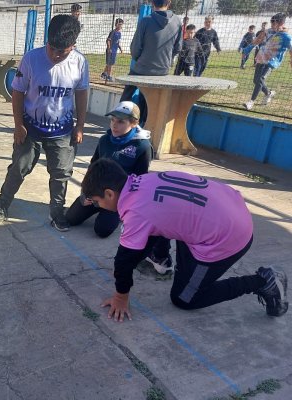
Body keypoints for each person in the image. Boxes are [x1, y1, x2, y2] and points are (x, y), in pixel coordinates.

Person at [81, 158, 288, 322]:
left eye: (97, 202)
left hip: (227, 238)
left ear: (109, 194)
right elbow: (158, 225)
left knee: (184, 298)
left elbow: (124, 261)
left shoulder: (135, 212)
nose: (98, 207)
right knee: (161, 226)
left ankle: (264, 282)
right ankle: (161, 258)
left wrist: (120, 297)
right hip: (230, 209)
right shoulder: (142, 181)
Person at [0, 14, 89, 232]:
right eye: (51, 48)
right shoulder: (31, 59)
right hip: (30, 128)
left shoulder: (80, 63)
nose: (54, 55)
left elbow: (82, 94)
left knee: (61, 173)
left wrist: (80, 126)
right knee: (18, 168)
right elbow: (17, 92)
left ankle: (57, 213)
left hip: (62, 131)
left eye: (61, 52)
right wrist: (19, 125)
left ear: (72, 47)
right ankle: (3, 204)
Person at [66, 101, 151, 238]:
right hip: (97, 193)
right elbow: (93, 167)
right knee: (70, 219)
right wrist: (85, 193)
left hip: (116, 199)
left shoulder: (142, 146)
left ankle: (119, 214)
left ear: (134, 123)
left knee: (102, 230)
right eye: (112, 120)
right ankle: (95, 205)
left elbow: (140, 182)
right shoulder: (104, 140)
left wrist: (125, 205)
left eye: (121, 122)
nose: (114, 125)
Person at [120, 0, 182, 127]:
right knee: (151, 99)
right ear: (169, 3)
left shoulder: (146, 20)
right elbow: (178, 47)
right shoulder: (177, 22)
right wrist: (168, 61)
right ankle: (144, 125)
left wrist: (139, 59)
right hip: (162, 71)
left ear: (152, 3)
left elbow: (135, 48)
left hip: (141, 68)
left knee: (128, 92)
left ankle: (119, 119)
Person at [244, 13, 292, 111]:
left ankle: (251, 102)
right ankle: (268, 93)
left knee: (260, 79)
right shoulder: (267, 31)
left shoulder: (286, 37)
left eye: (275, 21)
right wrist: (248, 48)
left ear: (281, 23)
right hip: (261, 57)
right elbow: (258, 40)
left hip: (272, 61)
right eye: (271, 21)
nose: (272, 23)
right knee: (256, 81)